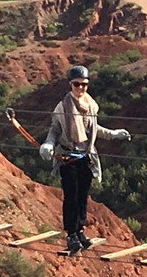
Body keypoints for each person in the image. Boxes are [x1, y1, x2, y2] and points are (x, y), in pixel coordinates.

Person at [39, 66, 131, 254]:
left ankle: (80, 231)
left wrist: (114, 134)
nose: (81, 88)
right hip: (68, 156)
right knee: (71, 197)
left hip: (86, 156)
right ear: (71, 85)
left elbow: (95, 129)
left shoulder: (90, 105)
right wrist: (47, 144)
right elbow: (55, 130)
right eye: (77, 85)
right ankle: (71, 234)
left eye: (84, 85)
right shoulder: (63, 107)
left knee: (82, 196)